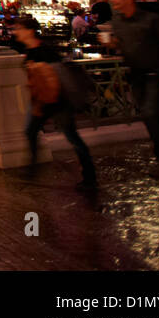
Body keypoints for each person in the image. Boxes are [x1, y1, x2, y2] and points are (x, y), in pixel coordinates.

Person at [14, 16, 96, 190]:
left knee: (69, 135)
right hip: (45, 99)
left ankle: (89, 175)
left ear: (29, 31)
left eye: (19, 28)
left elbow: (55, 79)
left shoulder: (43, 52)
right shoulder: (32, 50)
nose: (15, 32)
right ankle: (31, 170)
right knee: (33, 131)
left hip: (55, 100)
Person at [106, 0, 159, 177]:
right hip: (136, 75)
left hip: (156, 74)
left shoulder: (153, 20)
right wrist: (112, 44)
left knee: (151, 113)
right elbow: (122, 44)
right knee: (149, 116)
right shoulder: (117, 22)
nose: (113, 1)